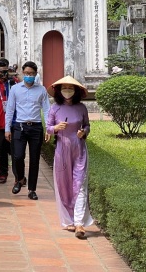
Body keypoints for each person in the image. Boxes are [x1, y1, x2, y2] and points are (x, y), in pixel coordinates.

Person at [46, 75, 93, 239]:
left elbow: (87, 126)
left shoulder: (81, 108)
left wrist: (83, 132)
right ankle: (69, 220)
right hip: (62, 151)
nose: (67, 90)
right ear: (59, 90)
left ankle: (79, 222)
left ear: (76, 91)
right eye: (64, 88)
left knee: (79, 185)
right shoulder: (55, 108)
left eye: (70, 88)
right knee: (64, 186)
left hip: (79, 150)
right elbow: (48, 128)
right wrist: (56, 127)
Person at [5, 61, 50, 201]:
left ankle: (32, 189)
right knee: (17, 156)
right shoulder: (15, 89)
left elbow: (47, 110)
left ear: (36, 74)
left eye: (31, 74)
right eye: (26, 74)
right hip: (20, 126)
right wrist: (7, 128)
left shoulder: (42, 90)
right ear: (22, 74)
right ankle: (20, 179)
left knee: (35, 159)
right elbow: (10, 110)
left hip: (36, 127)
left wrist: (48, 128)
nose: (29, 76)